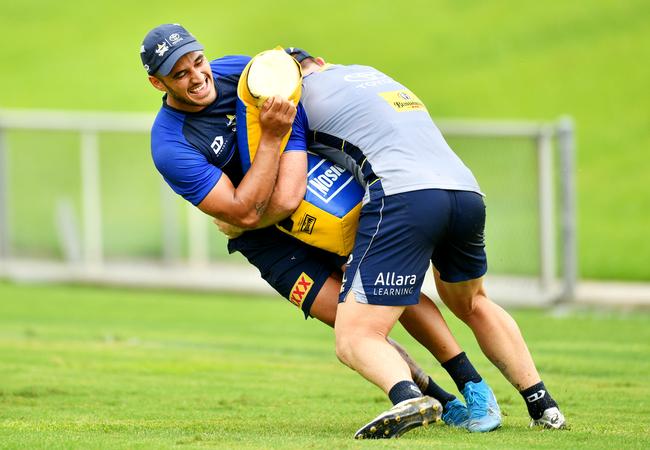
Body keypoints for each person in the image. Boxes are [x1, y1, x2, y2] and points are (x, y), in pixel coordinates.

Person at [141, 24, 499, 437]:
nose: (197, 76)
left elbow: (301, 112)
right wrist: (272, 140)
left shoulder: (245, 73)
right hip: (265, 242)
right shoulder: (170, 144)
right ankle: (429, 399)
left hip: (318, 200)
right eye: (180, 74)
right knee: (348, 318)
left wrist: (291, 161)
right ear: (158, 82)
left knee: (383, 288)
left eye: (197, 61)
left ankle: (472, 385)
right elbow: (241, 211)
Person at [274, 48, 567, 437]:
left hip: (404, 196)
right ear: (322, 62)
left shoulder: (295, 100)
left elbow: (292, 183)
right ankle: (543, 406)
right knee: (474, 302)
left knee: (355, 336)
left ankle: (412, 398)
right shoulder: (369, 74)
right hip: (465, 192)